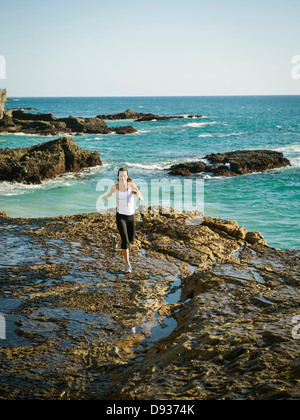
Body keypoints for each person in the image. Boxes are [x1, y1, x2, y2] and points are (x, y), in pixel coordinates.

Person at [102, 167, 144, 273]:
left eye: (124, 176)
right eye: (121, 176)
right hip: (120, 216)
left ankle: (116, 239)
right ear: (118, 176)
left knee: (131, 239)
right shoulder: (115, 187)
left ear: (127, 176)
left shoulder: (132, 186)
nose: (122, 177)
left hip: (131, 216)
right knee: (125, 241)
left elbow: (141, 197)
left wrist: (137, 195)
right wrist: (105, 197)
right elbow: (110, 194)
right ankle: (127, 265)